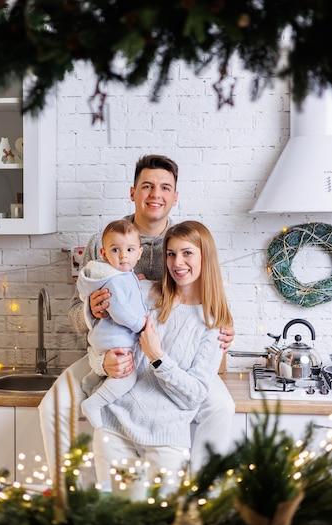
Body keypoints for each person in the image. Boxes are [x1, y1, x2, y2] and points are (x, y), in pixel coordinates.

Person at [39, 154, 235, 480]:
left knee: (221, 407)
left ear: (175, 197)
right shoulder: (105, 240)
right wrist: (92, 311)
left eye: (164, 188)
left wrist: (225, 331)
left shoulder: (186, 242)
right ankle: (65, 498)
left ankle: (202, 496)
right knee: (52, 407)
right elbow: (76, 311)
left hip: (170, 354)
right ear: (133, 192)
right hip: (112, 348)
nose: (155, 194)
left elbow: (209, 296)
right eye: (147, 186)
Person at [92, 220, 234, 489]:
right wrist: (102, 362)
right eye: (171, 254)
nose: (177, 262)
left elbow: (195, 395)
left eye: (187, 253)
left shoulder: (214, 323)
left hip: (166, 436)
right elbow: (101, 342)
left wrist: (158, 357)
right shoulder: (143, 293)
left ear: (206, 257)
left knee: (165, 524)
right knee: (114, 524)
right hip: (114, 426)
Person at [77, 219, 147, 429]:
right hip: (115, 339)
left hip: (105, 337)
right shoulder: (116, 279)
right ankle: (93, 404)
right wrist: (140, 324)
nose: (123, 255)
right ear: (104, 253)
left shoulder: (124, 275)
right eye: (116, 250)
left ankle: (90, 381)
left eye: (130, 250)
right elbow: (119, 311)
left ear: (139, 253)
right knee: (127, 376)